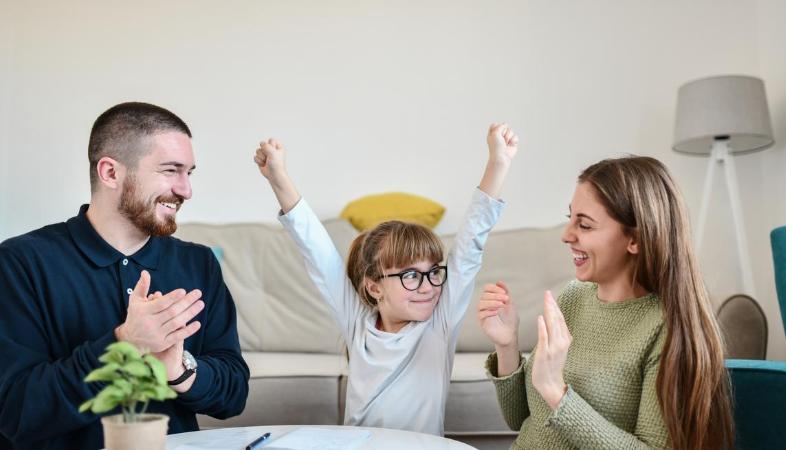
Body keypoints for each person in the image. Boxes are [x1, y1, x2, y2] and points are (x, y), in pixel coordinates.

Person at [0, 102, 250, 450]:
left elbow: (233, 395)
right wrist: (124, 344)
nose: (186, 190)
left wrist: (178, 368)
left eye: (189, 173)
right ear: (111, 173)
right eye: (170, 170)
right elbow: (15, 411)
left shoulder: (199, 263)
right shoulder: (20, 263)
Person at [253, 124, 518, 435]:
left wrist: (498, 163)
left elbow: (471, 242)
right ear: (374, 286)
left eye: (434, 273)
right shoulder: (358, 324)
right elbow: (317, 251)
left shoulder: (439, 325)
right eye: (410, 275)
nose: (428, 286)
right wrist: (278, 176)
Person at [478, 156, 734, 449]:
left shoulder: (666, 329)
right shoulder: (573, 297)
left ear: (635, 239)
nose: (566, 235)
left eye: (584, 225)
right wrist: (506, 344)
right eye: (570, 218)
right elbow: (520, 418)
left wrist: (557, 393)